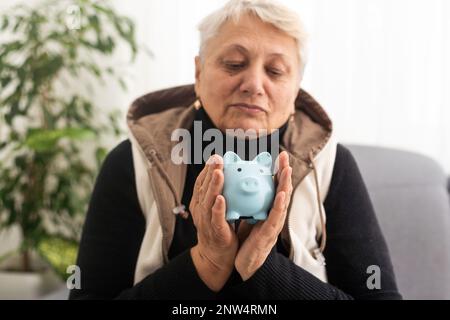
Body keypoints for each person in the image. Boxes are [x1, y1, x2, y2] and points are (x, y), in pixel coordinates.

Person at [69, 0, 401, 300]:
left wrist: (263, 267)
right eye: (233, 64)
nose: (254, 84)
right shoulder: (134, 161)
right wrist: (205, 264)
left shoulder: (330, 165)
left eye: (275, 71)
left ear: (296, 87)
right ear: (199, 73)